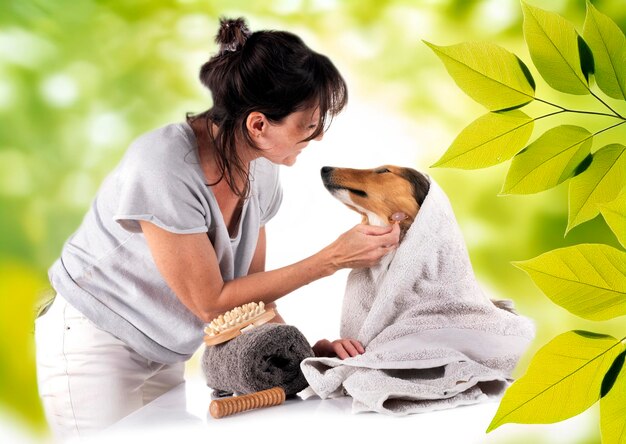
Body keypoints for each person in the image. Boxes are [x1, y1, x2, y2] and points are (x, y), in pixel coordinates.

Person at [35, 17, 401, 440]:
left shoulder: (260, 170)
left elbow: (248, 294)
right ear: (259, 125)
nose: (316, 138)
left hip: (166, 350)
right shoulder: (162, 166)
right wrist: (332, 259)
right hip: (95, 340)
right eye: (308, 125)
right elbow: (211, 302)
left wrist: (300, 354)